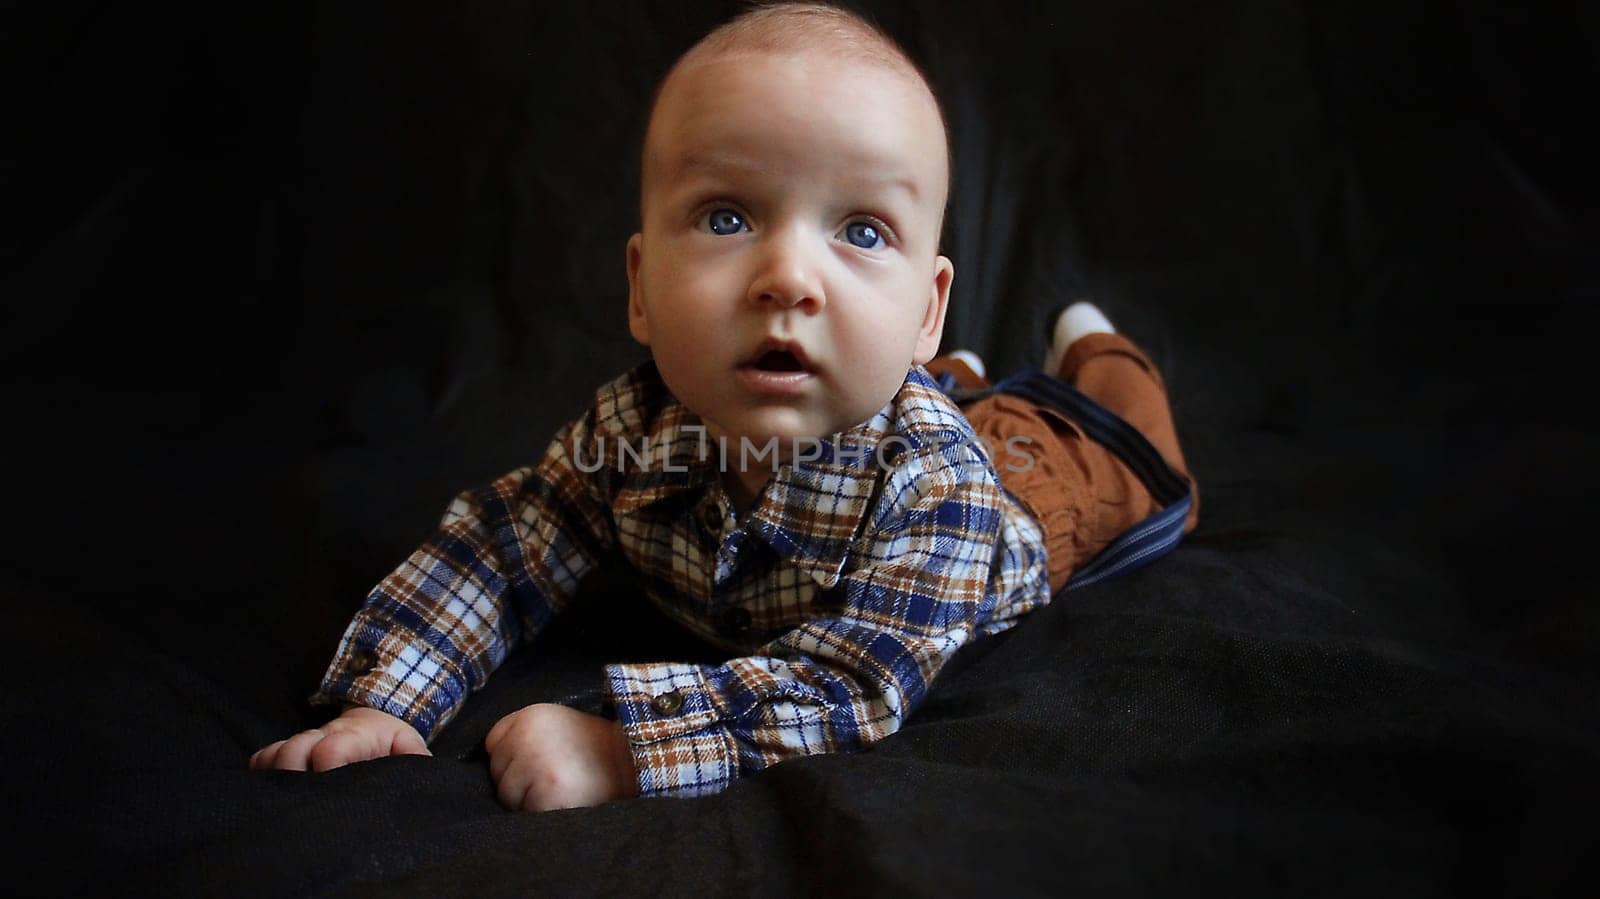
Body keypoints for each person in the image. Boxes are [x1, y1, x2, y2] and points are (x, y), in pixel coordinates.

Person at [249, 1, 1199, 812]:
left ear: (926, 305)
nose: (787, 277)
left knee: (1119, 445)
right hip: (900, 392)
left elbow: (849, 682)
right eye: (727, 218)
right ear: (640, 287)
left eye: (862, 230)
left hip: (1032, 485)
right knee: (914, 393)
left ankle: (1093, 348)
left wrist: (619, 751)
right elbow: (503, 545)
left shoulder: (939, 486)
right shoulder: (629, 433)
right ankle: (954, 373)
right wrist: (387, 700)